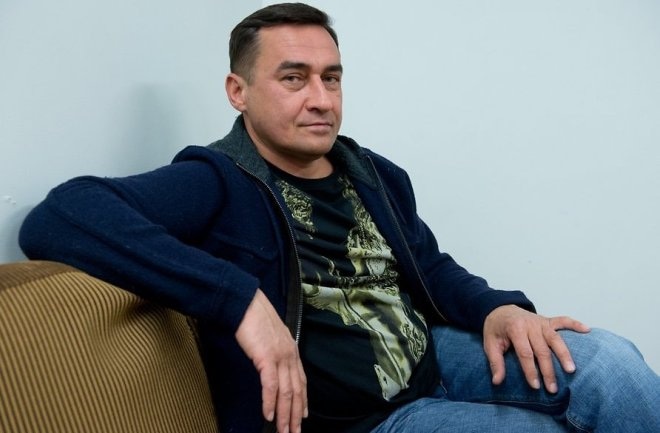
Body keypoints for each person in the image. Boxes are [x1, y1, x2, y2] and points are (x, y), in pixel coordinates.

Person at [19, 3, 659, 433]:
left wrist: (497, 309)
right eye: (294, 79)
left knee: (610, 361)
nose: (321, 99)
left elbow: (429, 266)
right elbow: (60, 216)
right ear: (238, 92)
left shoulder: (373, 172)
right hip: (366, 419)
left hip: (437, 357)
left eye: (332, 78)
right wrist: (241, 301)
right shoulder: (215, 180)